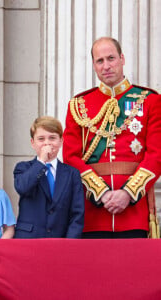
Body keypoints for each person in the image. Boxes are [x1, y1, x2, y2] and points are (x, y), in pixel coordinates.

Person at [63, 37, 161, 238]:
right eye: (100, 61)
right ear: (93, 65)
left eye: (111, 58)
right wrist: (101, 193)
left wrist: (128, 193)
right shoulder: (79, 104)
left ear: (122, 59)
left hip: (134, 213)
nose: (106, 66)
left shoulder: (150, 100)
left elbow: (156, 155)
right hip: (93, 214)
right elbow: (71, 157)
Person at [13, 116, 84, 238]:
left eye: (52, 138)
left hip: (59, 240)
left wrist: (70, 243)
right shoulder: (23, 168)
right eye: (41, 139)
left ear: (61, 141)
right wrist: (41, 162)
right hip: (29, 240)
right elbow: (23, 187)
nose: (47, 143)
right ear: (33, 143)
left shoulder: (72, 174)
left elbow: (77, 213)